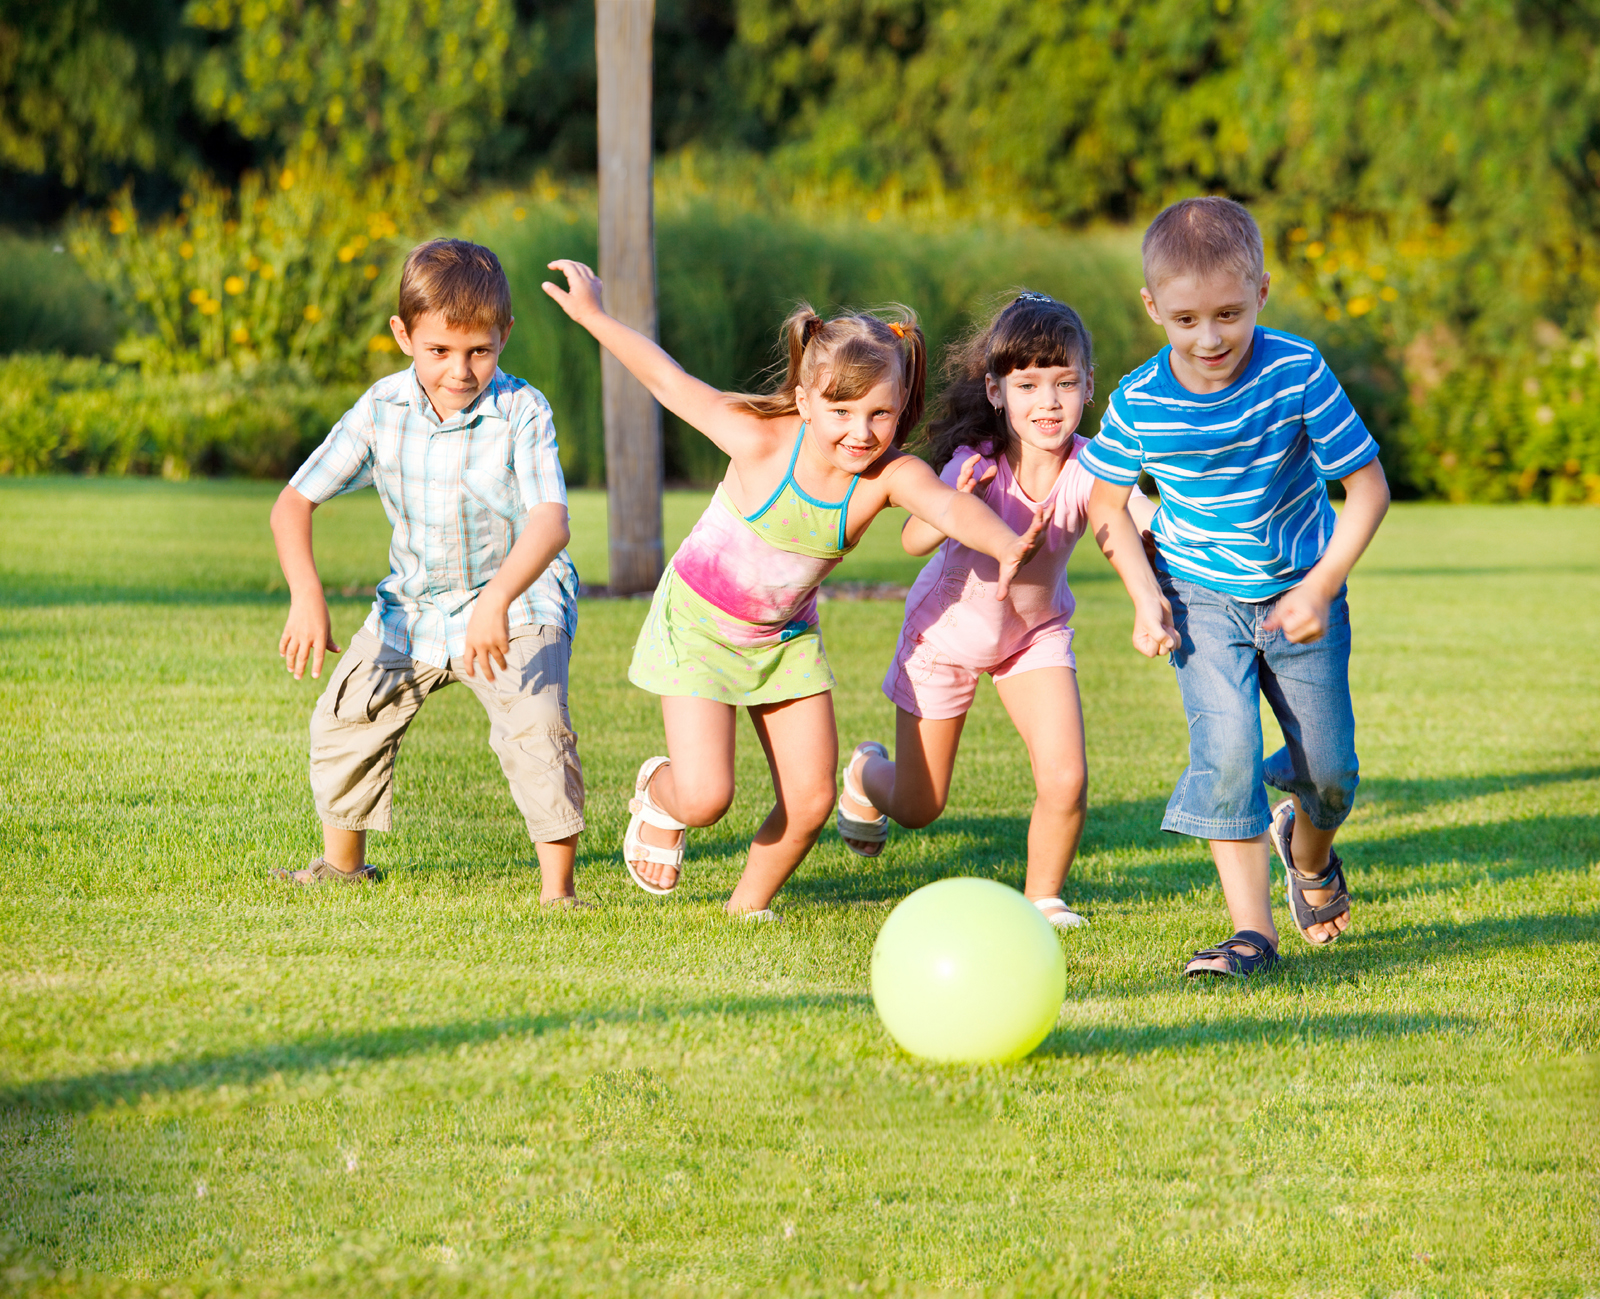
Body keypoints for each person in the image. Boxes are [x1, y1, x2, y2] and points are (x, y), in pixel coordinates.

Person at [541, 259, 1045, 919]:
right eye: (840, 410)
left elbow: (947, 507)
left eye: (879, 413)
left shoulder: (887, 477)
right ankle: (663, 795)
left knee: (809, 801)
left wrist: (1007, 543)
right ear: (806, 400)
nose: (860, 432)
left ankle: (744, 908)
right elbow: (669, 380)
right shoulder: (757, 440)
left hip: (783, 640)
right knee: (706, 796)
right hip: (698, 626)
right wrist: (595, 316)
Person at [1081, 196, 1390, 978]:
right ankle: (1252, 932)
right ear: (1153, 307)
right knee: (1226, 751)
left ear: (1261, 292)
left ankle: (1308, 850)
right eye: (1185, 320)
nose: (1209, 337)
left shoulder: (1296, 371)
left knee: (1330, 770)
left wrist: (1322, 587)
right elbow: (1105, 503)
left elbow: (1369, 487)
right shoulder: (1140, 400)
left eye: (1228, 313)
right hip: (1200, 599)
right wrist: (1146, 595)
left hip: (1299, 595)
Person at [269, 238, 587, 904]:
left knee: (536, 727)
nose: (460, 370)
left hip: (517, 602)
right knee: (347, 714)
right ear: (404, 334)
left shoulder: (523, 412)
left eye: (480, 350)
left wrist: (499, 597)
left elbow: (551, 522)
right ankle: (343, 867)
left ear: (504, 335)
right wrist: (306, 592)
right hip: (413, 609)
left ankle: (558, 892)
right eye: (439, 350)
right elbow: (293, 501)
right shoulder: (382, 409)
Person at [835, 291, 1154, 930]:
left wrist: (1172, 556)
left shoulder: (1093, 466)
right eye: (1029, 384)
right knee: (920, 806)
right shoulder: (974, 463)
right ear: (995, 390)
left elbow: (1133, 522)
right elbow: (912, 539)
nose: (1049, 402)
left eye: (1065, 383)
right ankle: (865, 774)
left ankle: (1043, 898)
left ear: (1090, 386)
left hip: (1032, 637)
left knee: (1065, 778)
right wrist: (950, 499)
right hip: (944, 637)